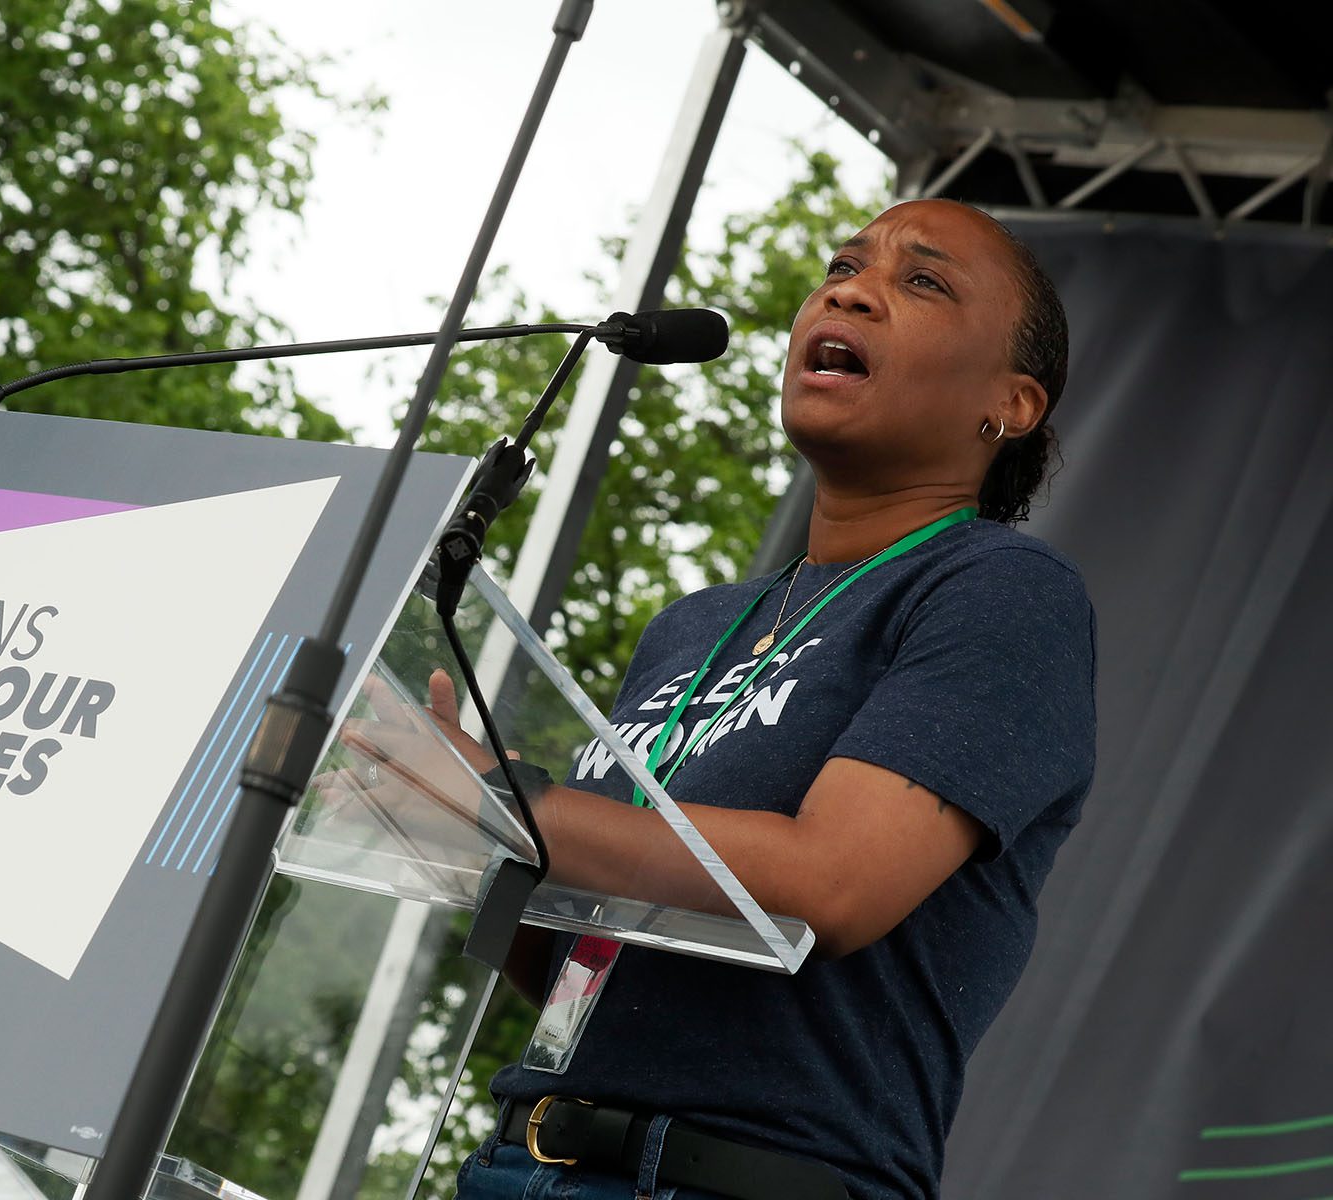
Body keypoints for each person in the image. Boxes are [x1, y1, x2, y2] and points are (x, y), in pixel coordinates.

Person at [345, 198, 1095, 1200]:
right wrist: (443, 820)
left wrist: (504, 798)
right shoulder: (693, 628)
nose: (851, 288)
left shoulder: (1001, 593)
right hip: (521, 1160)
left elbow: (830, 886)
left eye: (920, 281)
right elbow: (591, 958)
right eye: (842, 263)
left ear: (1010, 403)